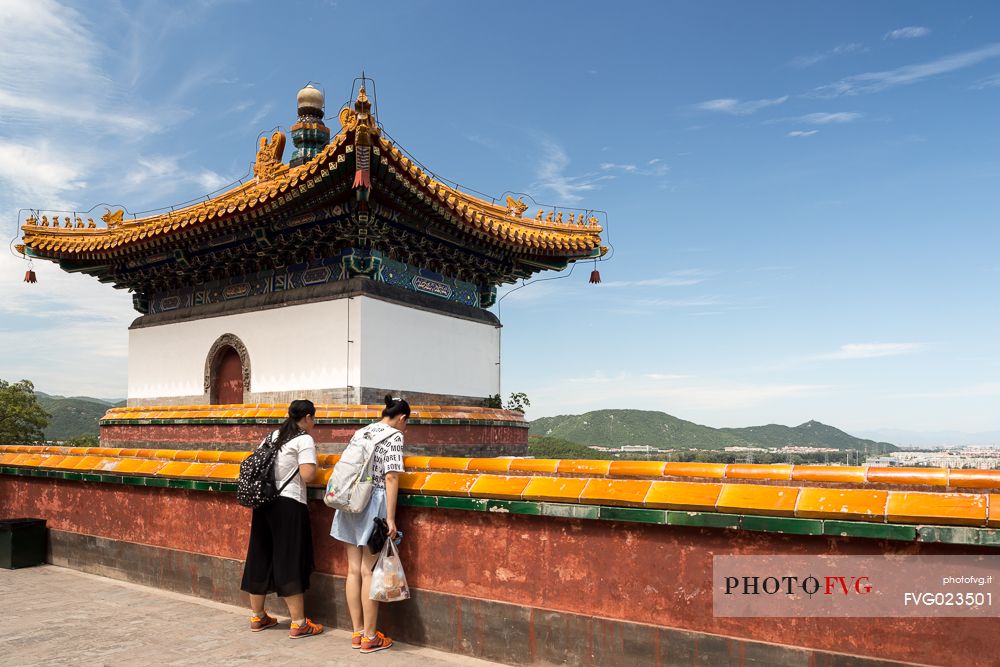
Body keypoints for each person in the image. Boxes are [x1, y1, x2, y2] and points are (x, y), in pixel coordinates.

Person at [330, 395, 408, 654]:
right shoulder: (394, 436)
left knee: (352, 570)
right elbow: (392, 477)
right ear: (402, 418)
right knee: (368, 571)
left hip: (350, 501)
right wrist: (391, 518)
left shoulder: (363, 431)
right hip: (372, 506)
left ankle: (357, 632)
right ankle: (370, 637)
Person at [240, 399, 324, 639]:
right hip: (289, 504)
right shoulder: (304, 439)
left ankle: (258, 616)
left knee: (260, 555)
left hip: (264, 501)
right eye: (313, 418)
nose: (314, 422)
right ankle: (299, 622)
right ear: (307, 417)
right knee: (289, 559)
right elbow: (308, 475)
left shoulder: (273, 435)